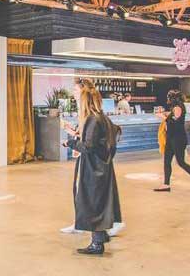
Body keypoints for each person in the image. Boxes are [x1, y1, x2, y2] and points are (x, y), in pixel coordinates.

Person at [64, 88, 122, 255]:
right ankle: (100, 235)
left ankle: (97, 243)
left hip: (93, 168)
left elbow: (88, 146)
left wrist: (71, 143)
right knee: (99, 200)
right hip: (103, 166)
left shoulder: (92, 119)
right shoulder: (103, 118)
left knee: (92, 201)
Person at [154, 90, 190, 192]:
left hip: (178, 138)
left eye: (169, 97)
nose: (167, 99)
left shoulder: (178, 106)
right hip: (171, 137)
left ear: (172, 98)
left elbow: (176, 118)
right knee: (167, 161)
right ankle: (166, 184)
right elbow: (173, 116)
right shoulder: (176, 107)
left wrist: (162, 116)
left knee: (180, 162)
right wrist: (166, 114)